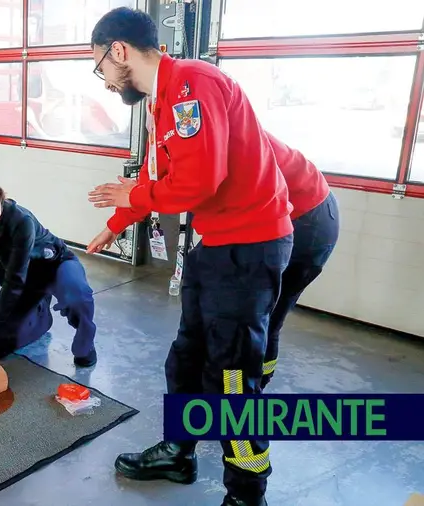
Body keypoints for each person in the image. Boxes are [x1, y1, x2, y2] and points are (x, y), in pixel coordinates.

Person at [86, 8, 294, 506]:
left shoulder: (191, 86)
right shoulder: (167, 99)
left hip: (246, 249)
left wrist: (130, 199)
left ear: (119, 51)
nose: (107, 83)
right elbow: (166, 182)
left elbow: (198, 182)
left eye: (102, 69)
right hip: (216, 245)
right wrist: (117, 222)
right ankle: (180, 452)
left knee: (232, 380)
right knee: (187, 357)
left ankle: (246, 496)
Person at [0, 167, 98, 368]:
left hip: (55, 267)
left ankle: (85, 346)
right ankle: (40, 315)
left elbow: (13, 282)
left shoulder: (19, 220)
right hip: (26, 284)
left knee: (77, 298)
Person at [260, 132, 339, 389]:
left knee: (262, 316)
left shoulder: (221, 130)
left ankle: (252, 387)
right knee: (257, 316)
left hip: (309, 220)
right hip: (306, 212)